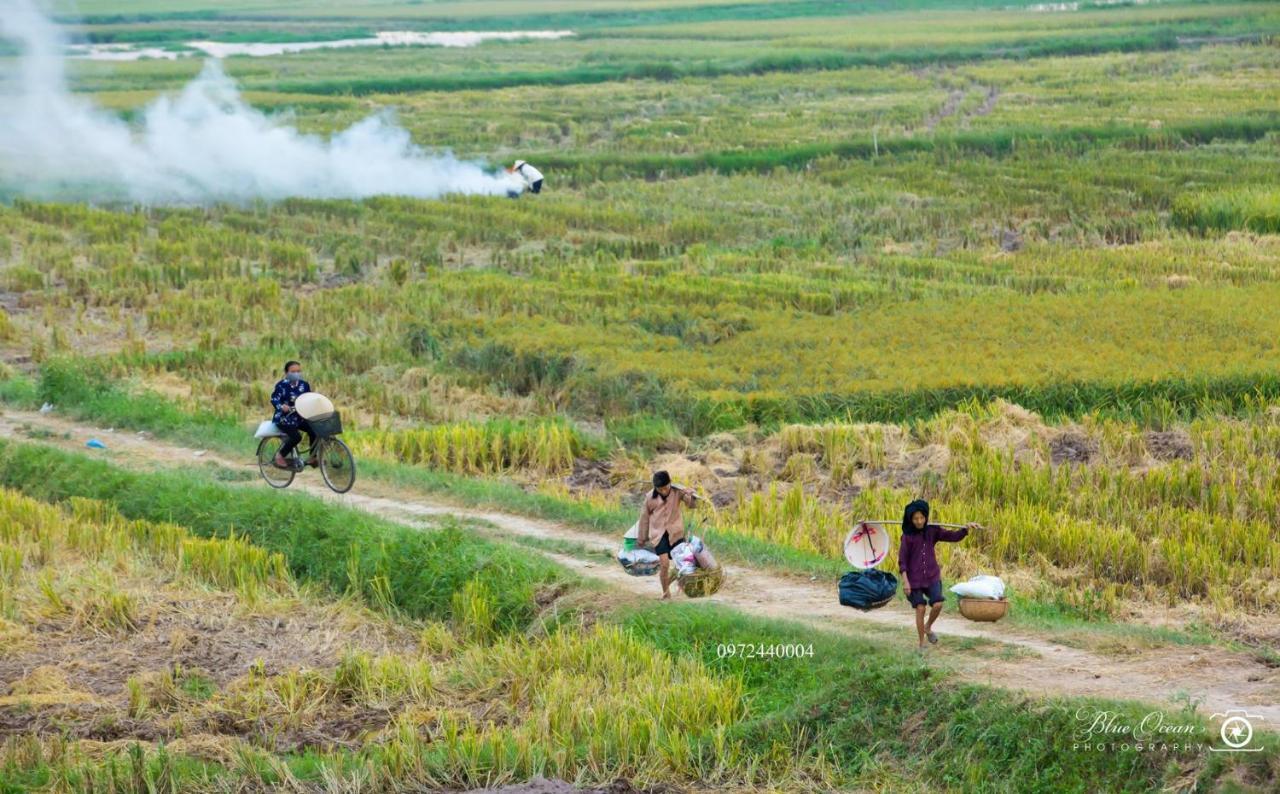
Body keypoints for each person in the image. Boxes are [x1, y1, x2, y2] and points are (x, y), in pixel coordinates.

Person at [897, 499, 977, 653]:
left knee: (938, 604)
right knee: (920, 608)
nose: (919, 521)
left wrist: (965, 529)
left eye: (922, 518)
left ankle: (928, 627)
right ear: (910, 520)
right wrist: (905, 581)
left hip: (932, 576)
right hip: (913, 580)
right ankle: (921, 643)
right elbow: (902, 561)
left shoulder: (932, 531)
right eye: (915, 519)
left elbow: (952, 536)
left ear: (926, 517)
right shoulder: (907, 537)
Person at [637, 470, 698, 600]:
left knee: (682, 563)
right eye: (660, 489)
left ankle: (672, 583)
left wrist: (690, 496)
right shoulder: (649, 498)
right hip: (658, 535)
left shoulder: (677, 492)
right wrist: (641, 538)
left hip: (675, 533)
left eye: (666, 488)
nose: (664, 491)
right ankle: (666, 593)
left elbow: (691, 506)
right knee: (664, 564)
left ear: (670, 483)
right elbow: (644, 518)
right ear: (656, 488)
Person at [270, 360, 316, 469]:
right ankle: (280, 456)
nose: (296, 374)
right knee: (296, 437)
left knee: (314, 430)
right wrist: (282, 407)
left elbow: (308, 398)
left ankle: (313, 457)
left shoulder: (304, 385)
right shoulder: (281, 385)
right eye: (293, 371)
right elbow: (274, 399)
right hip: (284, 418)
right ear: (286, 373)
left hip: (299, 417)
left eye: (298, 371)